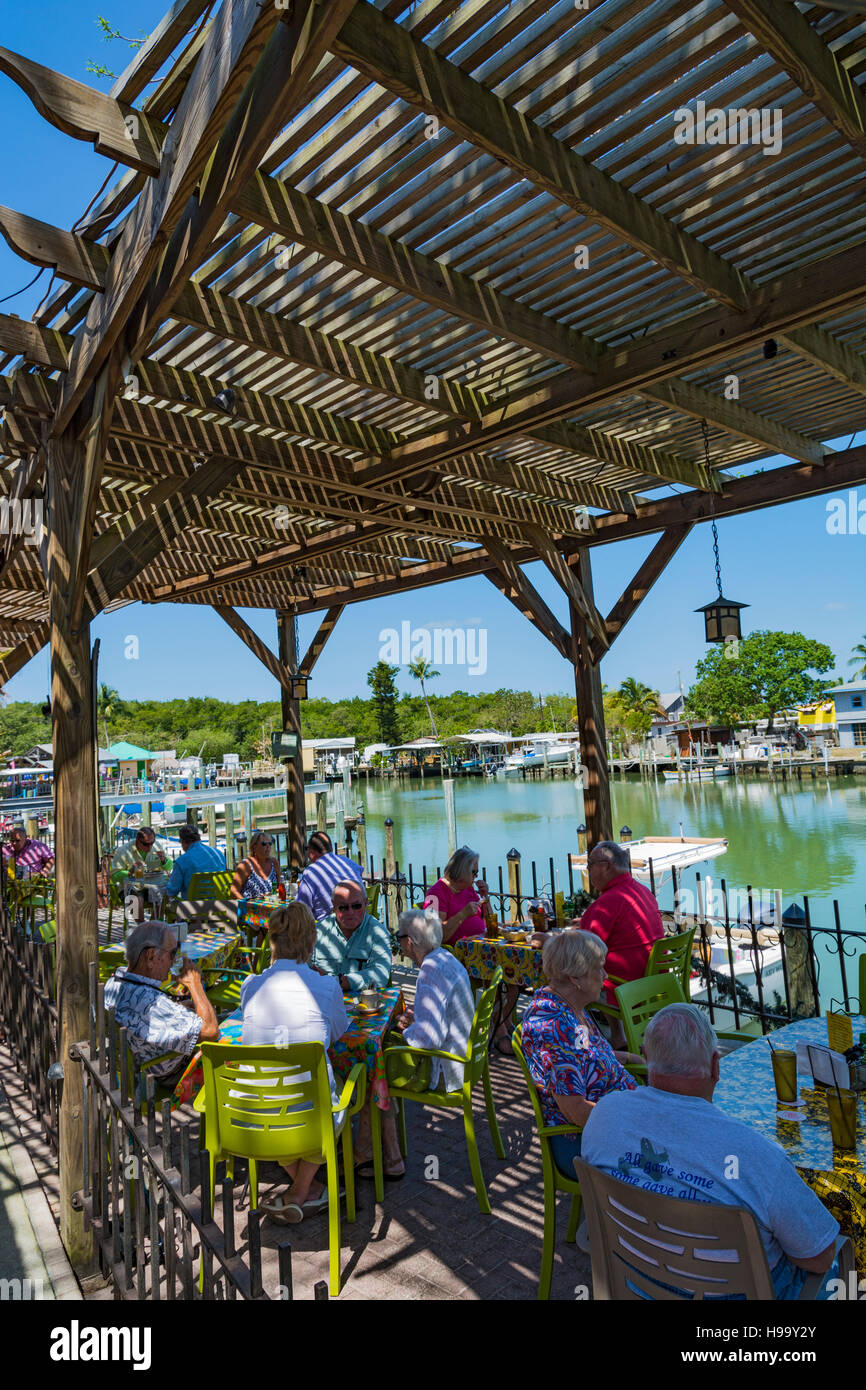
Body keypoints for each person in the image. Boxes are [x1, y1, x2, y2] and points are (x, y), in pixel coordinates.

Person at [581, 1003, 840, 1299]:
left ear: (646, 1057)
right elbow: (818, 1257)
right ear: (715, 1066)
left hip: (637, 1283)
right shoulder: (757, 1155)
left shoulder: (604, 1116)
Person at [242, 902, 349, 1223]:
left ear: (271, 942)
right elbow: (338, 1034)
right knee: (338, 1090)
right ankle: (303, 1191)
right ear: (311, 942)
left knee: (281, 1094)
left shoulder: (251, 986)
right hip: (312, 1121)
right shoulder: (326, 987)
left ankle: (305, 1189)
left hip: (253, 1120)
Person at [520, 930, 641, 1177]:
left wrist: (630, 1058)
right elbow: (576, 1110)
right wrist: (631, 1125)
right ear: (576, 977)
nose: (605, 976)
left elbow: (586, 1055)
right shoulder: (554, 1027)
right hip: (586, 1144)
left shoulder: (570, 1007)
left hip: (613, 1124)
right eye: (600, 968)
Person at [424, 845, 517, 1056]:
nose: (476, 876)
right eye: (473, 871)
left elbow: (488, 921)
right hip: (455, 957)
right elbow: (436, 936)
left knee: (514, 975)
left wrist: (486, 898)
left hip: (482, 949)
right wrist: (463, 915)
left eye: (477, 872)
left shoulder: (469, 890)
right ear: (461, 871)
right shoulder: (436, 893)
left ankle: (502, 1020)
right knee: (495, 973)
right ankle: (500, 1030)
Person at [103, 920, 219, 1084]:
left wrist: (176, 1008)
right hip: (166, 1074)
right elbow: (210, 1031)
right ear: (151, 957)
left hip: (132, 1065)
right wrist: (195, 984)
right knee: (227, 1039)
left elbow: (142, 1016)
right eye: (172, 953)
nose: (174, 960)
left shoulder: (113, 983)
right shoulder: (152, 1003)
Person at [579, 840, 664, 1043]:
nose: (588, 870)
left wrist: (548, 940)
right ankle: (618, 1038)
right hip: (653, 981)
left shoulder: (608, 902)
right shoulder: (642, 891)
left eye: (590, 864)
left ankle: (580, 1047)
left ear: (606, 866)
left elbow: (582, 949)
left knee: (569, 980)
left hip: (626, 987)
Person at [312, 880, 391, 994]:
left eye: (356, 906)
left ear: (366, 903)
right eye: (343, 907)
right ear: (334, 906)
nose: (350, 912)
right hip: (323, 999)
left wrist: (340, 982)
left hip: (363, 1005)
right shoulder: (318, 932)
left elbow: (380, 975)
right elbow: (303, 967)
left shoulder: (378, 932)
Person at [296, 831, 363, 921]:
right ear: (330, 848)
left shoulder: (311, 872)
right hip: (358, 922)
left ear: (312, 853)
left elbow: (301, 908)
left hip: (329, 928)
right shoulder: (348, 862)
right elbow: (360, 872)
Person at [164, 825, 226, 898]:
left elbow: (172, 891)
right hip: (220, 902)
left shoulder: (182, 861)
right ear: (198, 838)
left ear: (183, 841)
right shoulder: (218, 853)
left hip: (194, 905)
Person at [230, 829, 283, 902]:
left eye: (270, 843)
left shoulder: (274, 862)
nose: (268, 846)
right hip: (250, 909)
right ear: (254, 847)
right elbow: (233, 892)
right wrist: (245, 904)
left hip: (271, 905)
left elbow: (279, 886)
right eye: (264, 844)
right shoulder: (246, 865)